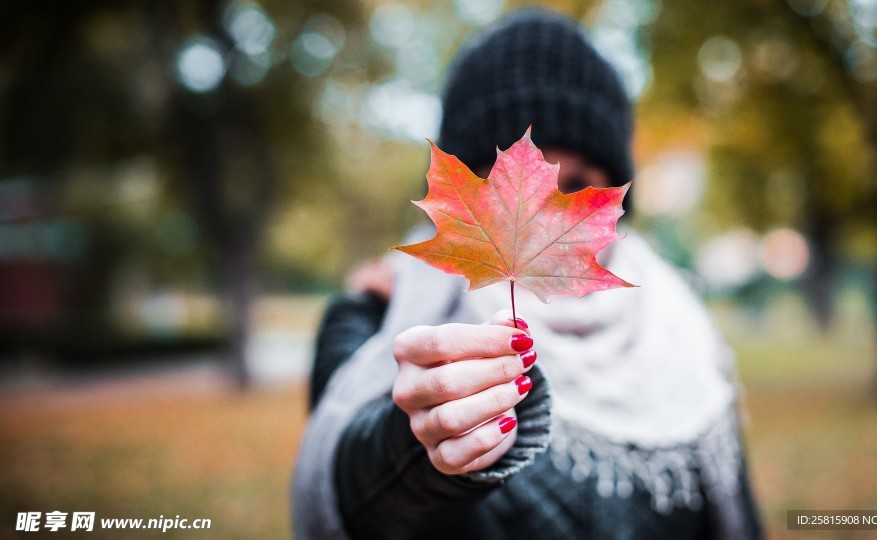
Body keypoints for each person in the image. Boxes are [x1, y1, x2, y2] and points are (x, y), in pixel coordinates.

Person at [292, 8, 762, 540]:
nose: (538, 220)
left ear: (613, 198)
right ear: (459, 195)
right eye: (504, 181)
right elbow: (363, 496)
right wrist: (422, 447)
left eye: (575, 185)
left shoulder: (680, 326)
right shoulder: (377, 320)